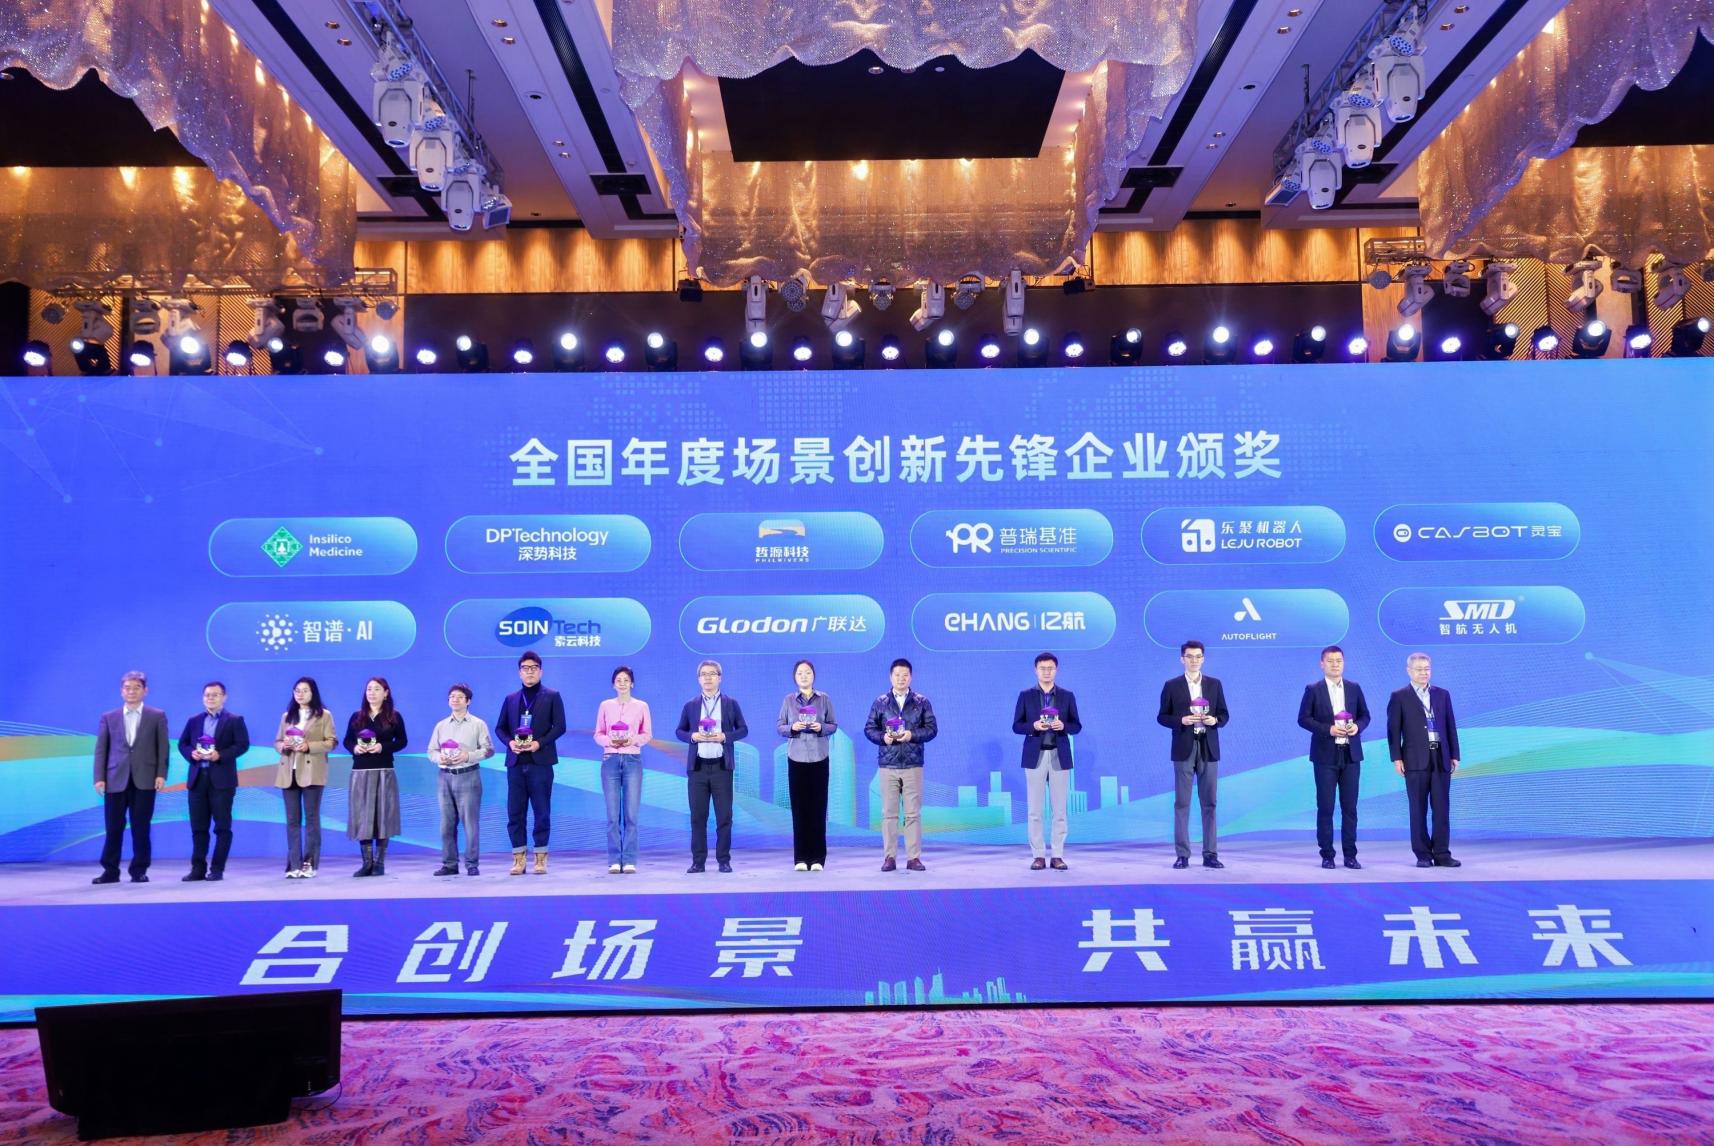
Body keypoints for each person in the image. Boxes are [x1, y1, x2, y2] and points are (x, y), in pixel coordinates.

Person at [1297, 646, 1371, 870]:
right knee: (1326, 807)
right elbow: (1303, 719)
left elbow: (1365, 716)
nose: (1335, 664)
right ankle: (1327, 855)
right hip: (1325, 756)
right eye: (1330, 661)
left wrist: (1357, 727)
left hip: (1351, 755)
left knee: (1350, 807)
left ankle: (1350, 855)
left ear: (1343, 663)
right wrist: (1328, 729)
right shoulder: (1313, 689)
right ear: (1322, 664)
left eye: (1339, 660)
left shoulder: (1354, 688)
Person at [92, 670, 170, 884]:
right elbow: (101, 750)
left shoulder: (157, 715)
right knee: (113, 828)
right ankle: (110, 871)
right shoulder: (109, 717)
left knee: (141, 827)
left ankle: (139, 870)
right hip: (115, 779)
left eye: (136, 688)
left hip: (145, 779)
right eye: (127, 688)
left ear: (145, 690)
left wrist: (161, 774)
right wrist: (99, 777)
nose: (131, 692)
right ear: (121, 691)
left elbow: (163, 748)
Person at [1157, 639, 1229, 869]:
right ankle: (1183, 854)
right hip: (1184, 747)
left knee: (1210, 803)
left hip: (1208, 748)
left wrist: (1214, 720)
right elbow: (1162, 717)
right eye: (1190, 656)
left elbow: (1224, 715)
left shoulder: (1214, 684)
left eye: (1198, 656)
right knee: (1182, 803)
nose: (1194, 660)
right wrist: (1182, 720)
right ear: (1182, 659)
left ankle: (1210, 854)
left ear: (1203, 659)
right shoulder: (1172, 685)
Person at [1387, 652, 1462, 869]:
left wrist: (1454, 754)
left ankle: (1442, 853)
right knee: (1418, 809)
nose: (1424, 673)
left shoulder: (1442, 694)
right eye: (1419, 669)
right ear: (1409, 671)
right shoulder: (1399, 696)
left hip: (1440, 757)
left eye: (1427, 668)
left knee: (1441, 809)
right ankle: (1422, 854)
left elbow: (1450, 725)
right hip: (1414, 759)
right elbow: (1393, 731)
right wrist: (1397, 758)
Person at [674, 659, 748, 873]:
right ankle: (698, 862)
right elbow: (679, 731)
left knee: (724, 816)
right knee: (698, 817)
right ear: (698, 679)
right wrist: (693, 736)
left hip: (721, 767)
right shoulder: (690, 705)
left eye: (712, 674)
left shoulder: (730, 703)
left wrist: (725, 736)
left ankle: (724, 860)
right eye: (704, 674)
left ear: (719, 678)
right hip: (697, 768)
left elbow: (743, 729)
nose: (708, 678)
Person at [496, 650, 566, 876]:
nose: (529, 672)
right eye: (525, 668)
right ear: (519, 673)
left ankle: (540, 858)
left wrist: (539, 743)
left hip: (540, 762)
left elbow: (560, 726)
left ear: (541, 671)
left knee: (541, 812)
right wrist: (510, 743)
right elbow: (500, 728)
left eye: (534, 668)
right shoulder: (511, 699)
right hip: (516, 763)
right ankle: (519, 859)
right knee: (515, 813)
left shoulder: (552, 696)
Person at [864, 658, 938, 872]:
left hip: (913, 764)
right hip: (888, 765)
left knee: (913, 813)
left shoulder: (921, 702)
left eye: (905, 675)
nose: (901, 678)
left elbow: (932, 729)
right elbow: (869, 729)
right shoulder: (880, 702)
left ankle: (914, 858)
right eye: (897, 675)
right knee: (889, 814)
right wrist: (883, 738)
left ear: (910, 677)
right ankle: (889, 857)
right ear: (891, 677)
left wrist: (911, 735)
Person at [1012, 652, 1082, 871]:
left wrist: (1064, 726)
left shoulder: (1067, 696)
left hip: (1059, 755)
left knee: (1059, 810)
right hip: (1035, 756)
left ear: (1056, 670)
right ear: (1036, 670)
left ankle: (1058, 855)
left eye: (1050, 668)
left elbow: (1077, 726)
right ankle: (1038, 855)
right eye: (1042, 668)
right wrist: (1033, 726)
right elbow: (1016, 726)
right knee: (1035, 810)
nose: (1046, 672)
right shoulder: (1026, 696)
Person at [175, 681, 251, 882]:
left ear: (224, 697)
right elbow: (182, 744)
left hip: (222, 781)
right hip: (197, 779)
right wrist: (191, 753)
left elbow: (243, 745)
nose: (211, 698)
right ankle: (197, 869)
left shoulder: (234, 720)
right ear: (203, 698)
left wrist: (221, 755)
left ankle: (217, 869)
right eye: (207, 695)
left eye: (215, 695)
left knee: (222, 827)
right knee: (198, 828)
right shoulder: (194, 721)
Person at [342, 677, 407, 877]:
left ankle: (379, 863)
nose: (371, 692)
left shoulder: (394, 716)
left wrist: (383, 747)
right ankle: (366, 863)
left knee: (383, 816)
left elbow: (402, 741)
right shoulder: (357, 717)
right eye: (369, 689)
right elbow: (347, 740)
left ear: (386, 693)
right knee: (363, 816)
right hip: (360, 772)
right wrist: (354, 748)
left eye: (377, 689)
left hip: (384, 771)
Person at [776, 659, 837, 871]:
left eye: (808, 672)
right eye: (800, 673)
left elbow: (833, 725)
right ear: (795, 677)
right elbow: (780, 727)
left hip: (820, 758)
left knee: (818, 809)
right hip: (796, 759)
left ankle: (818, 858)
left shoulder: (824, 699)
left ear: (813, 676)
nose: (804, 676)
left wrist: (821, 727)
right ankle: (801, 858)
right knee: (799, 810)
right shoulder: (788, 700)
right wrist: (793, 727)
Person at [427, 683, 493, 877]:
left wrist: (468, 756)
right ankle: (450, 864)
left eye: (459, 697)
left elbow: (489, 750)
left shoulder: (478, 724)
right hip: (445, 777)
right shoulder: (441, 725)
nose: (454, 699)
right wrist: (439, 758)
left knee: (470, 824)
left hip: (468, 775)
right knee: (446, 825)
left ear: (468, 701)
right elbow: (431, 750)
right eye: (451, 697)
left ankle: (472, 863)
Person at [274, 676, 336, 879]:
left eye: (305, 690)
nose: (300, 694)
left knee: (311, 819)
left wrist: (308, 746)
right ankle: (293, 864)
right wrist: (283, 746)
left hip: (311, 772)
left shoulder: (323, 715)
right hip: (288, 772)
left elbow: (331, 742)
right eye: (297, 691)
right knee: (292, 820)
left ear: (313, 693)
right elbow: (277, 741)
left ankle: (309, 863)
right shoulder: (287, 716)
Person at [594, 665, 651, 874]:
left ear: (632, 683)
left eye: (626, 680)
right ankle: (614, 859)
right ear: (613, 684)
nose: (622, 683)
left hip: (632, 760)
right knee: (612, 815)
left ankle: (629, 859)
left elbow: (647, 734)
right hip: (610, 759)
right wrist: (609, 741)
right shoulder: (605, 705)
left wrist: (632, 739)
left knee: (631, 814)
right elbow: (598, 733)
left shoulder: (642, 706)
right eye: (618, 680)